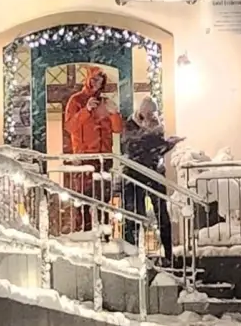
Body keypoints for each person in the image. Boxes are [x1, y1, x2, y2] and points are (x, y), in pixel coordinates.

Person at [63, 69, 121, 231]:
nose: (97, 84)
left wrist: (114, 113)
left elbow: (117, 129)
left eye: (100, 81)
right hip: (85, 157)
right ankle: (83, 230)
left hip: (104, 157)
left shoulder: (105, 102)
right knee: (83, 197)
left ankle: (105, 233)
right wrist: (86, 110)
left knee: (104, 198)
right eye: (94, 79)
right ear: (88, 79)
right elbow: (70, 126)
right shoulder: (76, 100)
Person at [121, 100, 179, 262]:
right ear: (140, 112)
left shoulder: (157, 126)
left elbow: (156, 149)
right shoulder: (130, 126)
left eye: (153, 114)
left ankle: (168, 255)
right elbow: (134, 146)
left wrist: (168, 145)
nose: (150, 117)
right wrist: (156, 137)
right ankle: (134, 254)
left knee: (162, 215)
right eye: (147, 113)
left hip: (154, 174)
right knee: (135, 215)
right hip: (134, 177)